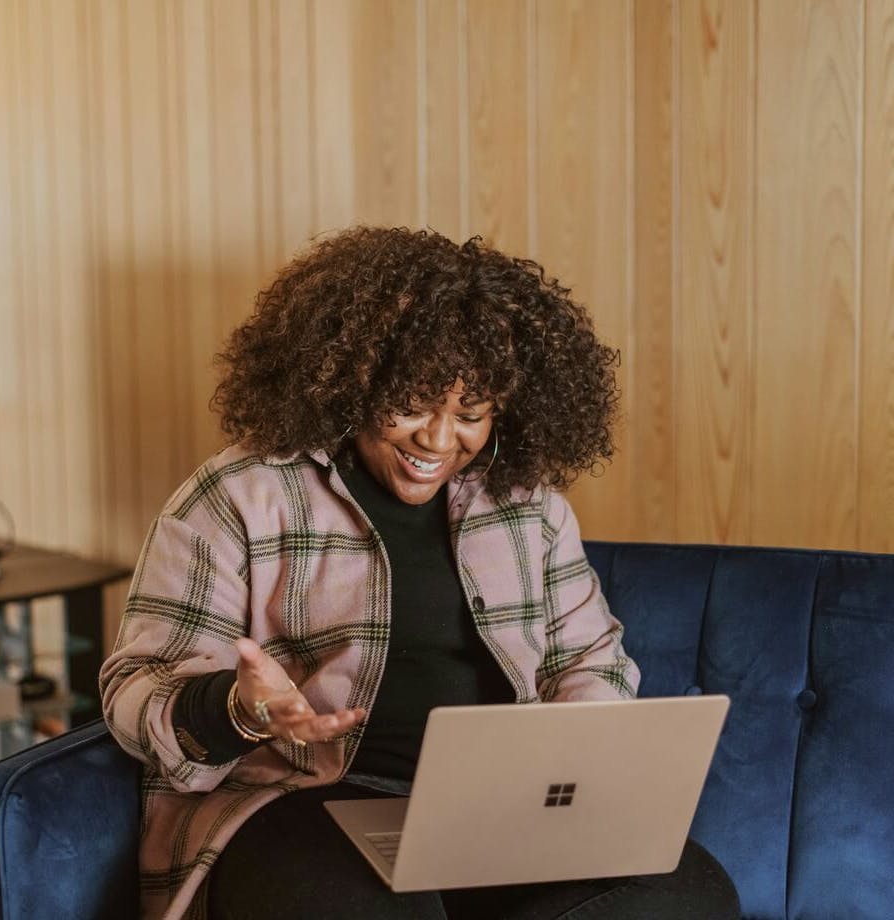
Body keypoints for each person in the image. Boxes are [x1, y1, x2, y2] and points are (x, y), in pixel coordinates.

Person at [100, 226, 740, 920]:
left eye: (470, 414)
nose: (438, 441)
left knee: (687, 894)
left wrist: (572, 759)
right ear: (352, 382)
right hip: (302, 803)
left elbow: (589, 661)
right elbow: (135, 690)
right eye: (409, 405)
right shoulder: (240, 496)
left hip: (498, 813)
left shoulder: (531, 508)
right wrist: (238, 707)